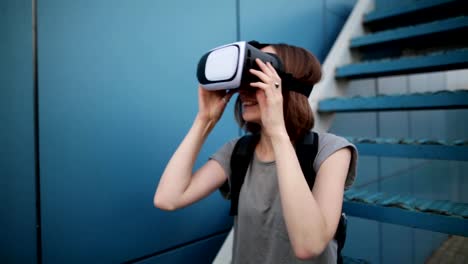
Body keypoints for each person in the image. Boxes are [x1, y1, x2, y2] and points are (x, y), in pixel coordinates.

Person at [154, 41, 358, 263]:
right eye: (244, 80)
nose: (243, 91)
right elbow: (168, 198)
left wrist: (278, 132)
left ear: (286, 87)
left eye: (258, 78)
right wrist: (204, 119)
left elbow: (309, 245)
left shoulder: (331, 151)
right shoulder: (238, 152)